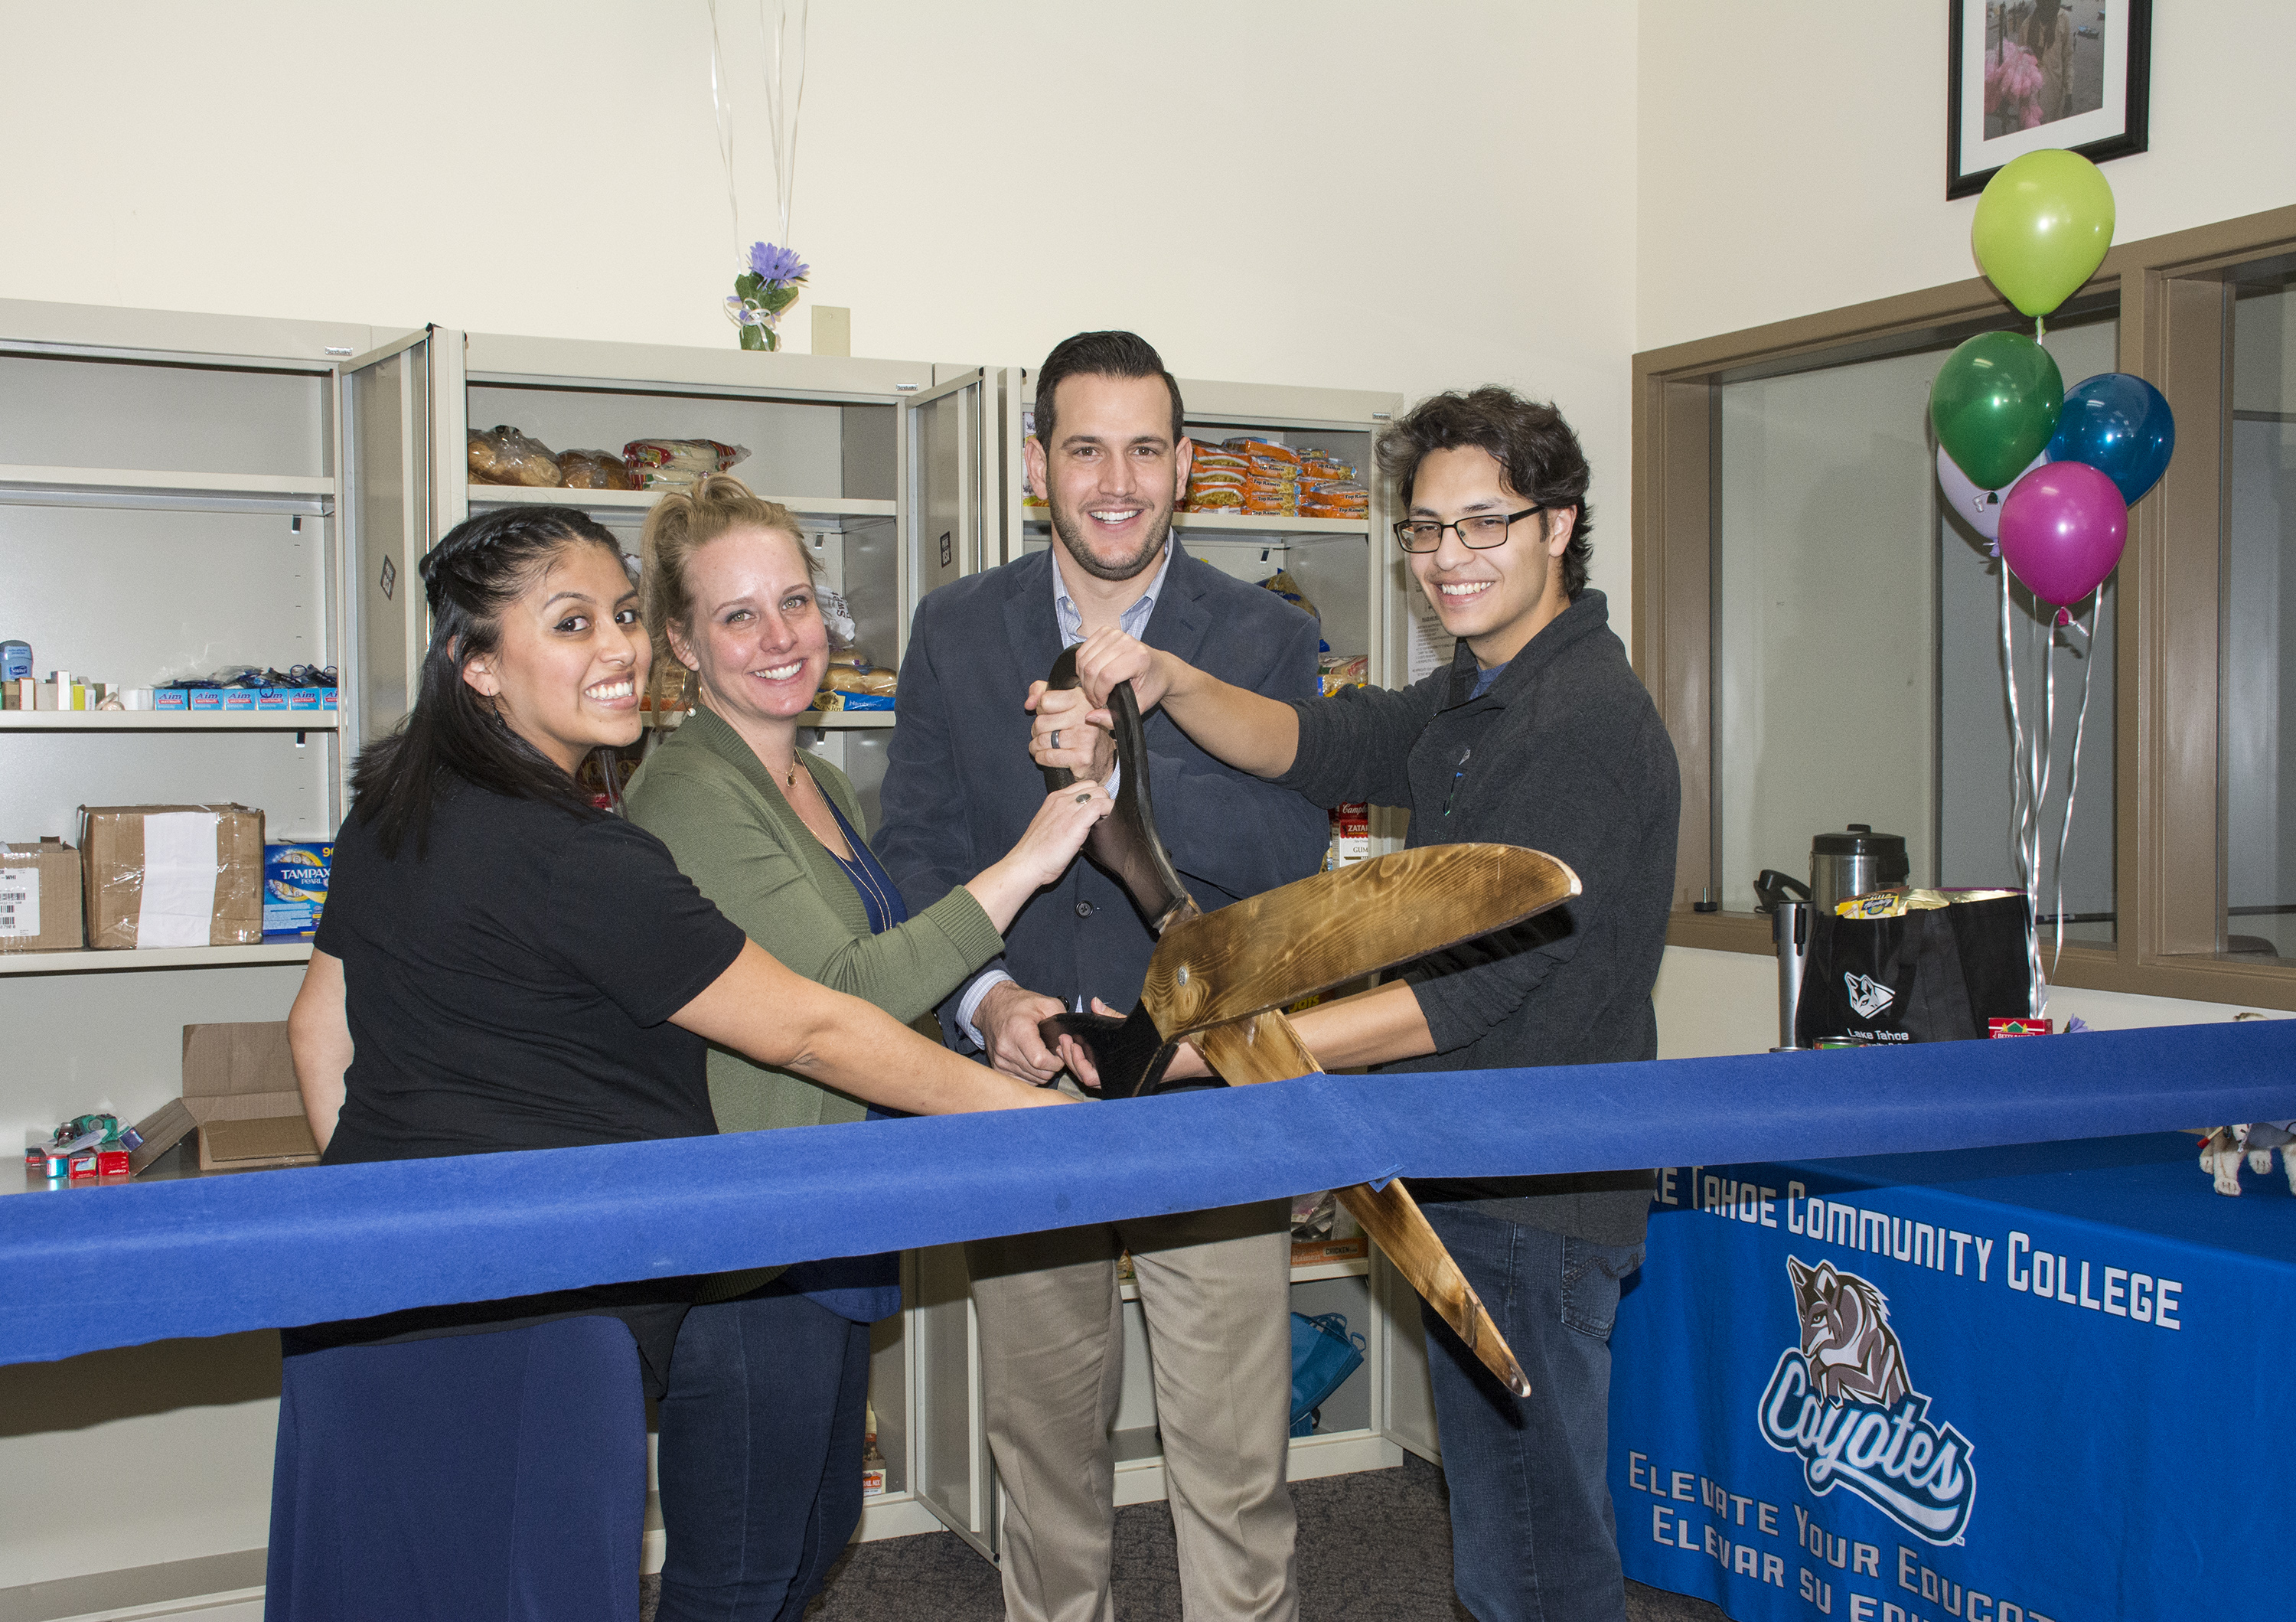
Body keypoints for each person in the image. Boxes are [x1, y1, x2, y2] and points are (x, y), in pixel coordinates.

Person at [273, 504, 1065, 1622]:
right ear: (480, 666)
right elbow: (813, 1026)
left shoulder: (396, 812)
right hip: (542, 1314)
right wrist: (1030, 1122)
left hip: (382, 1290)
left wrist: (390, 1213)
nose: (619, 649)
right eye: (571, 624)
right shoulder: (584, 857)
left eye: (624, 614)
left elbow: (319, 1029)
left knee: (402, 1585)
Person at [1035, 387, 1681, 1622]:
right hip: (1463, 1167)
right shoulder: (1473, 689)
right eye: (1426, 530)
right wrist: (1169, 679)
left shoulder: (1582, 717)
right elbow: (1314, 746)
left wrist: (1203, 1056)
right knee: (1506, 1527)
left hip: (1537, 1185)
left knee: (1538, 1549)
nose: (1450, 559)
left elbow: (1469, 994)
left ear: (1560, 526)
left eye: (1484, 524)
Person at [873, 330, 1329, 1622]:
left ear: (1187, 466)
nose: (1116, 480)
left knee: (1236, 1466)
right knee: (1043, 1461)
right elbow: (915, 854)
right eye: (1086, 448)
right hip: (1022, 1097)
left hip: (1204, 1083)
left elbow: (1284, 862)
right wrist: (983, 1001)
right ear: (1038, 466)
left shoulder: (1263, 638)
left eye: (1145, 448)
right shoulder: (956, 629)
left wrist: (1119, 778)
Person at [621, 477, 1113, 1621]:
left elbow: (897, 966)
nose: (781, 636)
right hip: (754, 1243)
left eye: (794, 600)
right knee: (738, 1569)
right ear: (683, 645)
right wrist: (1028, 862)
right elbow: (832, 1002)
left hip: (837, 1209)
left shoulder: (817, 780)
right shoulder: (692, 794)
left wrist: (996, 1014)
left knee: (814, 1534)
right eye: (738, 615)